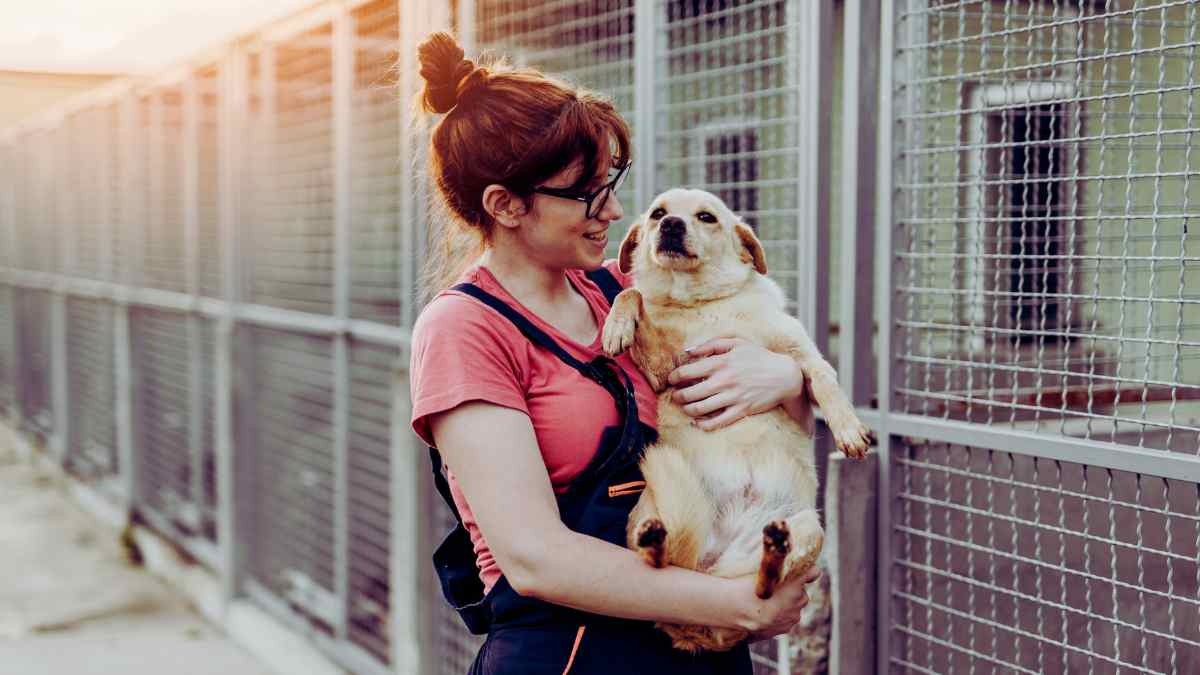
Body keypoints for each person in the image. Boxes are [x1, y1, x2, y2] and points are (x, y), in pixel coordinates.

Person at [409, 32, 821, 675]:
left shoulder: (624, 292)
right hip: (572, 652)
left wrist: (785, 376)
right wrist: (735, 604)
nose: (616, 210)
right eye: (586, 193)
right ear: (506, 205)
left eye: (612, 182)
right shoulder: (465, 330)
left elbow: (770, 405)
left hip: (698, 640)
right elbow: (535, 557)